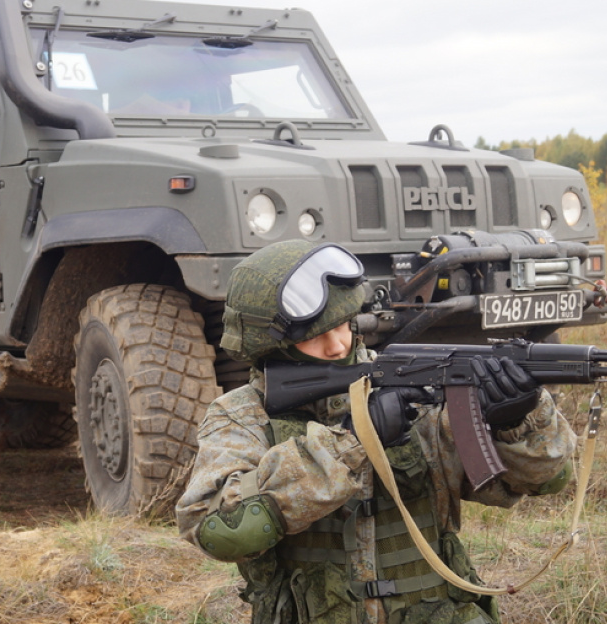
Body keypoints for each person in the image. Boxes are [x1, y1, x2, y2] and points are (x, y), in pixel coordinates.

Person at [176, 240, 577, 624]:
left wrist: (516, 421)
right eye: (314, 336)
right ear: (269, 345)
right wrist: (354, 440)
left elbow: (546, 480)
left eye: (343, 325)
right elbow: (219, 532)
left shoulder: (410, 387)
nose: (337, 345)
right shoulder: (242, 415)